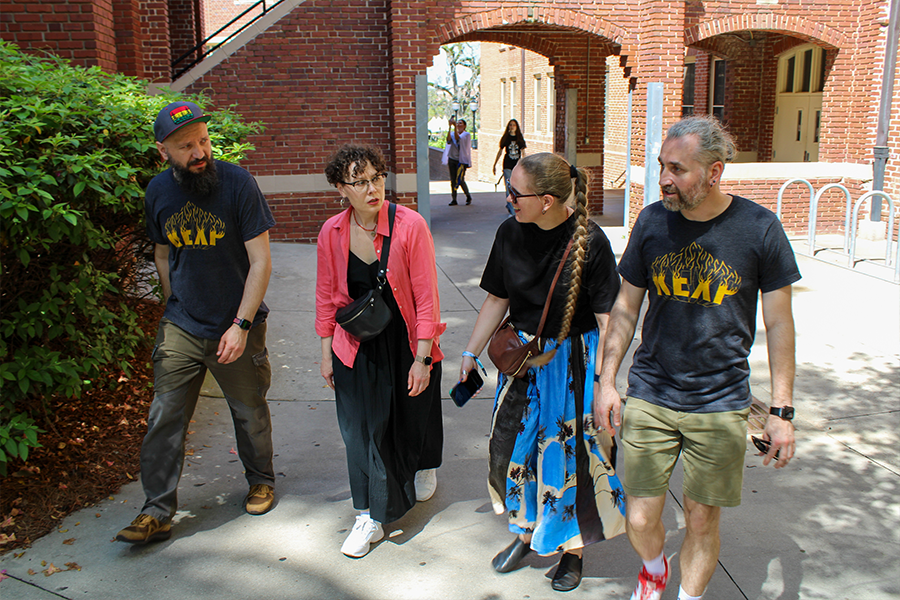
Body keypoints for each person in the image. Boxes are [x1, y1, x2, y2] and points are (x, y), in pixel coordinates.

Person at [596, 115, 799, 600]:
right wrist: (606, 381)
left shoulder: (759, 228)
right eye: (663, 167)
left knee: (701, 518)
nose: (665, 179)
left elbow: (780, 324)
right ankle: (653, 570)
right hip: (652, 390)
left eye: (679, 170)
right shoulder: (651, 221)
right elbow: (626, 306)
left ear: (715, 172)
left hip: (721, 401)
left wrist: (782, 411)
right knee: (641, 516)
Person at [459, 153, 626, 592]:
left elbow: (610, 320)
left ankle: (572, 551)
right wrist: (470, 352)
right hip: (522, 362)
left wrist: (607, 383)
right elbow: (497, 298)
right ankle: (527, 533)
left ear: (548, 200)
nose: (508, 197)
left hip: (574, 366)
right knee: (514, 452)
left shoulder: (591, 242)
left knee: (570, 462)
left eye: (516, 193)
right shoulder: (509, 232)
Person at [116, 101, 276, 545]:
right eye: (186, 146)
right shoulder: (158, 193)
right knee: (165, 414)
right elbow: (163, 253)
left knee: (249, 412)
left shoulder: (238, 184)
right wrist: (175, 305)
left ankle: (261, 479)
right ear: (162, 151)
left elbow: (261, 261)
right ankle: (157, 510)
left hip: (237, 320)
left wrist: (241, 325)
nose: (199, 151)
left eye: (203, 140)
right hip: (183, 323)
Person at [316, 144, 446, 558]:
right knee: (361, 433)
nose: (372, 188)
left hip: (406, 339)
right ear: (341, 188)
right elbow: (325, 298)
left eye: (377, 178)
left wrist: (423, 358)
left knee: (411, 417)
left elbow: (426, 297)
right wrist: (325, 352)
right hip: (356, 344)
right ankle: (368, 516)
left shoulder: (410, 226)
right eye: (360, 182)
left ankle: (423, 463)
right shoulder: (331, 232)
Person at [492, 119, 527, 215]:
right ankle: (512, 212)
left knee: (517, 187)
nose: (512, 127)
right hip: (507, 165)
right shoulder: (506, 138)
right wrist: (495, 164)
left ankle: (511, 205)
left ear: (517, 127)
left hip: (517, 165)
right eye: (510, 125)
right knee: (509, 187)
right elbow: (500, 151)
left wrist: (525, 164)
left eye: (514, 125)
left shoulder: (519, 138)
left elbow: (523, 152)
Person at [446, 117, 473, 206]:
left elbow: (458, 139)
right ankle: (454, 199)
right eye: (457, 123)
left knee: (460, 179)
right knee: (453, 180)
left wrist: (454, 127)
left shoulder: (466, 135)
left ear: (464, 126)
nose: (458, 125)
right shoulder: (453, 133)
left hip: (461, 161)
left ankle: (468, 195)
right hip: (452, 159)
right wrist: (450, 127)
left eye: (460, 123)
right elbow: (448, 140)